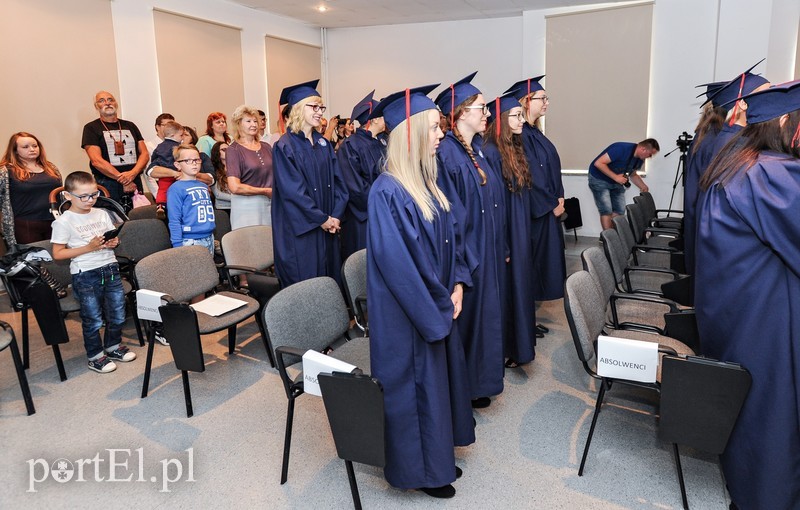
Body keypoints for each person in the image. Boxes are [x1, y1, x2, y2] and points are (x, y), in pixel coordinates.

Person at [694, 81, 800, 510]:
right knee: (772, 418)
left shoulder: (738, 162)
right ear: (784, 123)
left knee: (755, 414)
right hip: (765, 319)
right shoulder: (772, 176)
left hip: (738, 313)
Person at [367, 84, 474, 499]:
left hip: (437, 302)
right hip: (408, 313)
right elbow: (402, 269)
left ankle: (438, 459)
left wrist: (459, 282)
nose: (441, 134)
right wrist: (440, 304)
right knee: (415, 390)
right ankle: (422, 471)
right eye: (434, 127)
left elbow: (454, 239)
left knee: (436, 384)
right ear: (409, 135)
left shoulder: (427, 184)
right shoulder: (387, 192)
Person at [435, 72, 505, 408]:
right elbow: (450, 218)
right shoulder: (446, 155)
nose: (487, 113)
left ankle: (477, 383)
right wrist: (465, 262)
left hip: (482, 251)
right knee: (468, 326)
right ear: (461, 113)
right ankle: (464, 388)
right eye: (481, 108)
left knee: (482, 323)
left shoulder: (474, 149)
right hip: (467, 256)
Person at [685, 63, 770, 274]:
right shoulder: (728, 144)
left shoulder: (720, 136)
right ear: (741, 104)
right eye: (767, 93)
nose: (773, 98)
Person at [51, 171, 136, 374]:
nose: (90, 200)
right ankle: (95, 356)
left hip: (110, 267)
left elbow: (109, 240)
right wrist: (89, 248)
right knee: (93, 319)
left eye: (94, 194)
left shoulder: (101, 213)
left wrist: (113, 242)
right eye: (84, 196)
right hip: (85, 274)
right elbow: (58, 254)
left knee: (117, 312)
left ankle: (113, 346)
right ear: (68, 196)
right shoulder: (64, 221)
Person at [271, 80, 348, 287]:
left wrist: (336, 217)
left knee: (329, 279)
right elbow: (293, 193)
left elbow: (340, 183)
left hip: (328, 227)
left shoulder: (323, 144)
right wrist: (322, 219)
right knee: (307, 284)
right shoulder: (284, 147)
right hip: (303, 229)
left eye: (321, 107)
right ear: (297, 109)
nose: (319, 112)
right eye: (314, 107)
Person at [483, 91, 538, 367]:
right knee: (509, 290)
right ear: (502, 120)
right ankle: (509, 348)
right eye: (516, 116)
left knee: (521, 287)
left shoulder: (514, 148)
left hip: (519, 230)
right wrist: (504, 243)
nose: (521, 120)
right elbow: (495, 204)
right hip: (507, 232)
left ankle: (521, 346)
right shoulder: (491, 153)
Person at [505, 76, 566, 315]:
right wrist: (551, 203)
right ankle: (524, 319)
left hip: (548, 208)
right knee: (532, 266)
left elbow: (550, 169)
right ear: (526, 101)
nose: (547, 103)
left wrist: (559, 197)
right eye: (543, 98)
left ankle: (528, 319)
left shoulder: (534, 133)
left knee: (542, 266)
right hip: (536, 211)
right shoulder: (520, 136)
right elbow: (529, 175)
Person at [337, 90, 387, 261]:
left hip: (381, 211)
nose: (386, 119)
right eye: (382, 115)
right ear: (373, 119)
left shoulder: (381, 142)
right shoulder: (351, 145)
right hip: (361, 217)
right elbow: (355, 187)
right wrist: (381, 202)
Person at [81, 91, 148, 209]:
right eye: (101, 101)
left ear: (116, 103)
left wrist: (133, 173)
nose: (107, 103)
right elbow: (96, 160)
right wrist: (123, 179)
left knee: (138, 219)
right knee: (114, 222)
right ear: (96, 106)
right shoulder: (91, 128)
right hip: (108, 184)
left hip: (134, 181)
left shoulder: (130, 125)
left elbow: (144, 153)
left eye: (110, 99)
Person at [0, 132, 62, 246]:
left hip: (54, 221)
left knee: (56, 260)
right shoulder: (5, 171)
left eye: (35, 146)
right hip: (25, 224)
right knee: (32, 260)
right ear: (15, 150)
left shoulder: (51, 167)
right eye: (25, 147)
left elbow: (60, 194)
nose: (32, 149)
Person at [587, 138, 659, 230]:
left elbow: (633, 174)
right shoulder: (621, 148)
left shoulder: (639, 159)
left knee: (619, 209)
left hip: (616, 180)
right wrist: (616, 177)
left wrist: (643, 186)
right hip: (599, 178)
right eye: (650, 154)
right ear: (643, 149)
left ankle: (614, 235)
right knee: (606, 210)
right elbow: (599, 163)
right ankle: (607, 238)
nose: (650, 157)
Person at [226, 105, 274, 229]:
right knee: (250, 245)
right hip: (246, 207)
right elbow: (234, 187)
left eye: (255, 121)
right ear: (238, 124)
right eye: (248, 121)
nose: (253, 124)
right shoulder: (233, 150)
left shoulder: (266, 147)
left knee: (270, 244)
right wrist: (264, 191)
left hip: (271, 203)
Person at [167, 144, 216, 255]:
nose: (194, 163)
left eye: (196, 160)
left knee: (208, 271)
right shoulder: (176, 189)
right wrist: (178, 246)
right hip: (190, 240)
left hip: (209, 237)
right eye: (188, 160)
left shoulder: (203, 186)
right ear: (177, 165)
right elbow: (174, 220)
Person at [146, 120, 184, 216]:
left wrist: (159, 164)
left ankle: (160, 206)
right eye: (181, 135)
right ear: (172, 136)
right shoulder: (179, 147)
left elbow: (154, 157)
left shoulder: (159, 146)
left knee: (162, 190)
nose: (182, 138)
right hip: (178, 175)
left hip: (164, 175)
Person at [143, 113, 175, 196]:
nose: (169, 128)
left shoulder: (177, 145)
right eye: (166, 125)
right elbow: (148, 174)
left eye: (172, 125)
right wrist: (157, 194)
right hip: (160, 186)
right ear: (157, 127)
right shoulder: (149, 146)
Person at [210, 141, 231, 211]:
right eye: (224, 150)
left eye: (229, 149)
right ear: (217, 153)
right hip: (223, 208)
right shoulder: (213, 169)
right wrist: (237, 198)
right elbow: (217, 194)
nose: (228, 152)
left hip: (237, 206)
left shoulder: (236, 167)